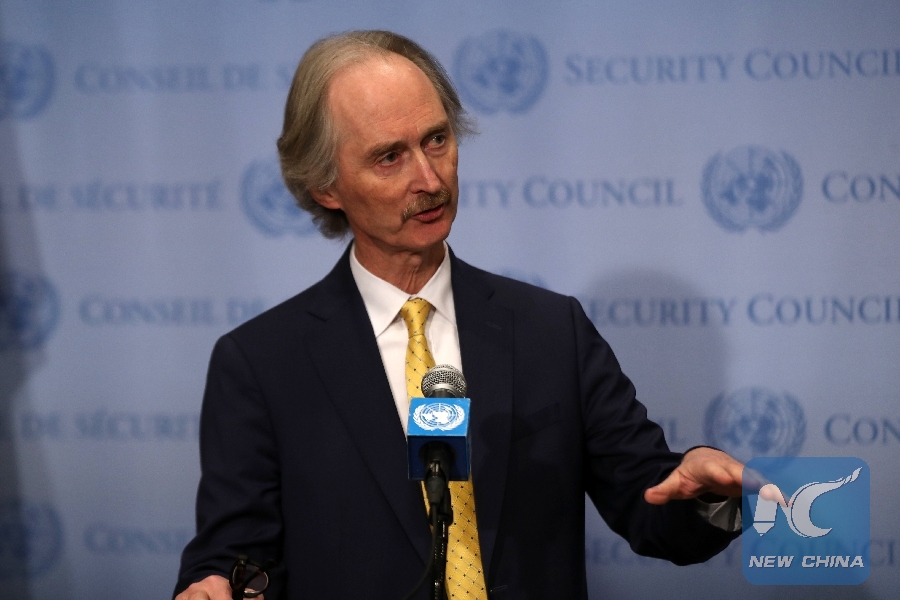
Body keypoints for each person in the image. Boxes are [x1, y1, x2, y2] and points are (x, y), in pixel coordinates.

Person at [174, 30, 744, 600]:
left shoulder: (551, 332)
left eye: (437, 140)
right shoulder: (261, 364)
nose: (430, 180)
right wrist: (215, 585)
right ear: (326, 186)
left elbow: (652, 503)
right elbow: (235, 554)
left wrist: (718, 497)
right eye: (390, 157)